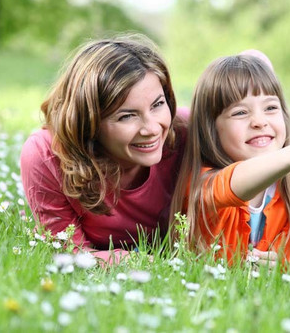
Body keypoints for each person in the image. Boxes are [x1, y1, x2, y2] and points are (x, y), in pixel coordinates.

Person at [20, 35, 187, 264]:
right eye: (127, 116)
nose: (152, 128)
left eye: (158, 104)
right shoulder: (46, 154)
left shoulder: (185, 132)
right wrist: (139, 262)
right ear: (90, 122)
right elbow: (70, 254)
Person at [170, 54, 290, 267]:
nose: (259, 121)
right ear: (211, 129)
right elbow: (231, 185)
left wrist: (286, 265)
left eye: (271, 108)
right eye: (240, 112)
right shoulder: (201, 184)